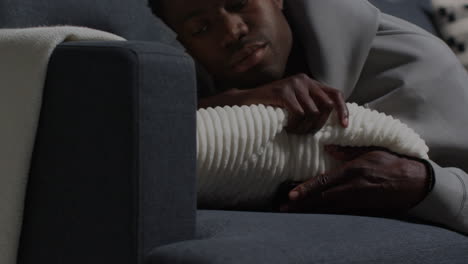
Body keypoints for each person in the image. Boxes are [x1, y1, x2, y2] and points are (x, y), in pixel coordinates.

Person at [148, 0, 468, 234]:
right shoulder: (186, 83)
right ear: (185, 45)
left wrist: (425, 184)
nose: (232, 31)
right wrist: (234, 101)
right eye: (200, 28)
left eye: (239, 3)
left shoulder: (415, 62)